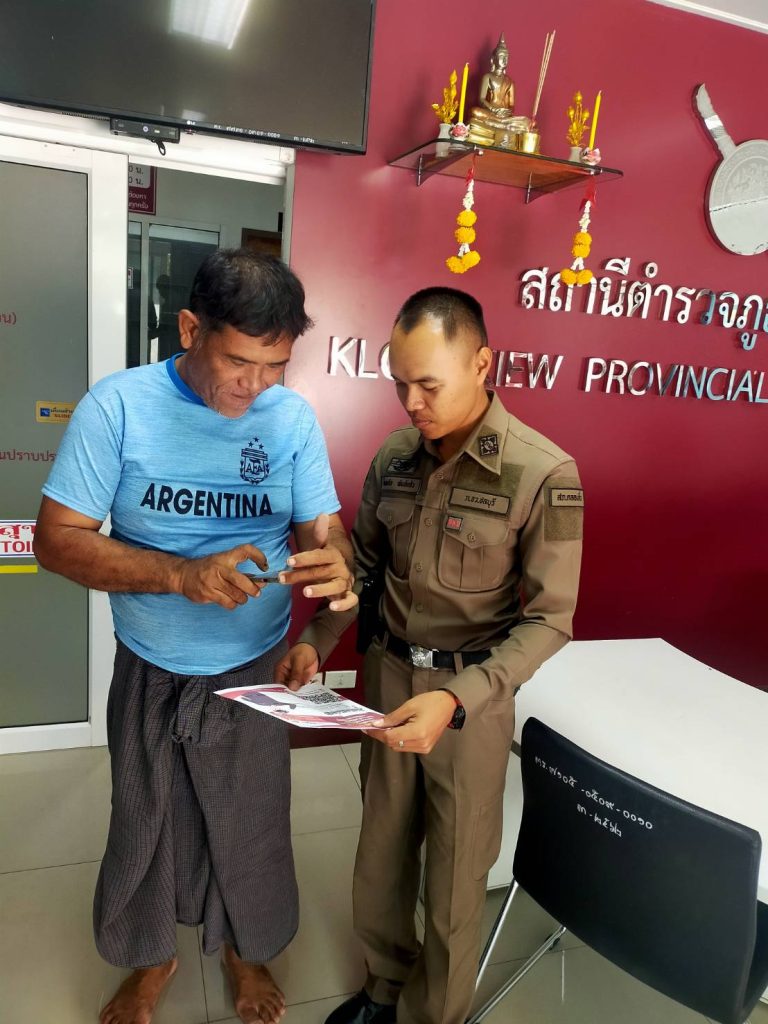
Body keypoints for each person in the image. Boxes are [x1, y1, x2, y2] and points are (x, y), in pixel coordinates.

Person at [33, 249, 356, 1024]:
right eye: (239, 362)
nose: (256, 385)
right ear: (189, 329)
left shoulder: (291, 419)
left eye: (275, 366)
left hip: (255, 665)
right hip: (151, 661)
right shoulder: (118, 407)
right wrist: (181, 575)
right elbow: (56, 541)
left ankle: (245, 952)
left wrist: (335, 560)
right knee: (146, 821)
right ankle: (154, 960)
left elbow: (323, 527)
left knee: (248, 824)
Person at [276, 287, 583, 1024]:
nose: (411, 403)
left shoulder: (543, 474)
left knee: (452, 881)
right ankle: (384, 989)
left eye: (428, 385)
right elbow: (364, 570)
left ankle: (430, 1016)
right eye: (399, 384)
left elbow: (550, 621)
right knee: (380, 859)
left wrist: (456, 698)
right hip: (387, 681)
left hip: (468, 703)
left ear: (482, 363)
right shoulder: (394, 457)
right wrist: (317, 641)